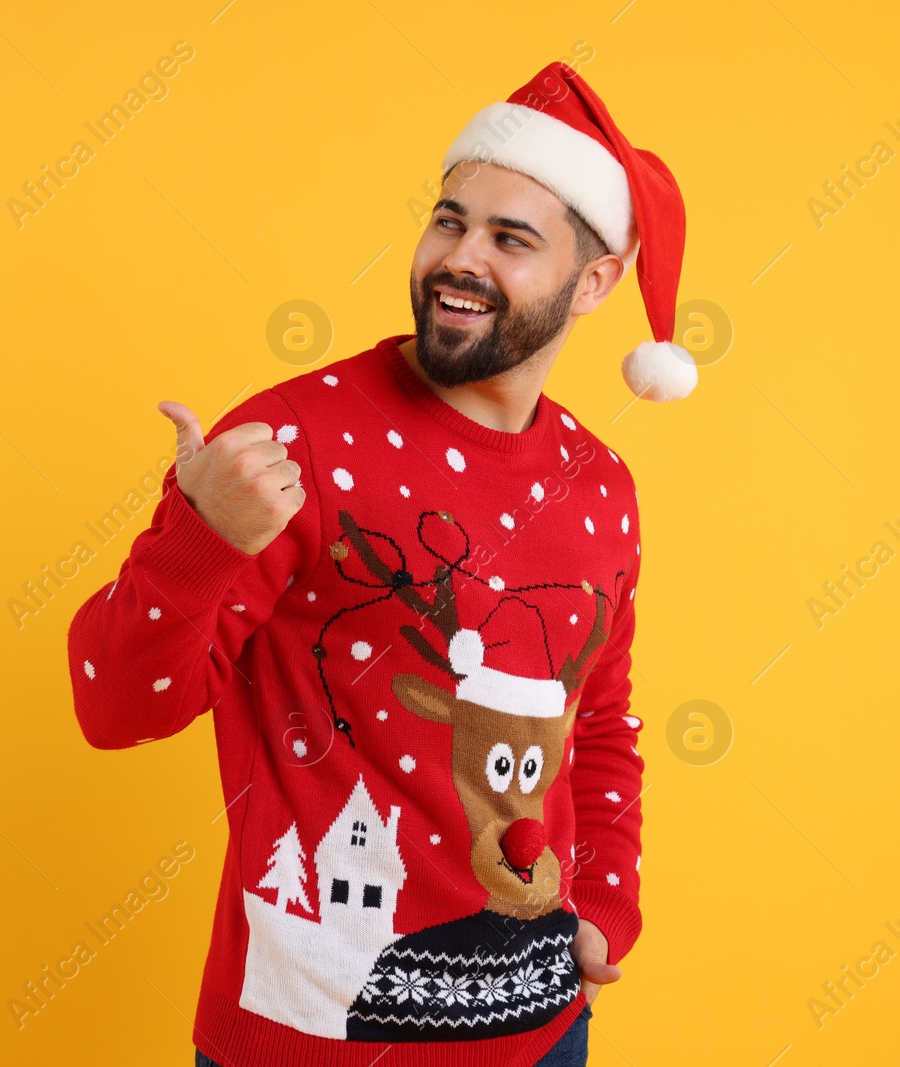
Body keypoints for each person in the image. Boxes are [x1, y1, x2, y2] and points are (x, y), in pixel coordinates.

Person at [65, 60, 690, 1067]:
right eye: (448, 220)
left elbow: (600, 721)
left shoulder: (599, 483)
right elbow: (117, 707)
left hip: (540, 1033)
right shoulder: (291, 441)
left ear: (595, 280)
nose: (459, 257)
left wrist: (606, 900)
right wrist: (199, 536)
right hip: (309, 1037)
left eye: (508, 237)